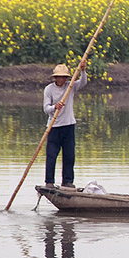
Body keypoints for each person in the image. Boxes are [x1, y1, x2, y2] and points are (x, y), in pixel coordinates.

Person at [43, 59, 88, 189]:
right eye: (59, 77)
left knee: (69, 155)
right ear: (55, 78)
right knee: (51, 155)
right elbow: (46, 109)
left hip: (69, 126)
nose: (61, 79)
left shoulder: (70, 86)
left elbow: (83, 83)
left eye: (63, 77)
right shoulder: (49, 89)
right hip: (54, 127)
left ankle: (67, 181)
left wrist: (83, 70)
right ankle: (49, 181)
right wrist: (55, 107)